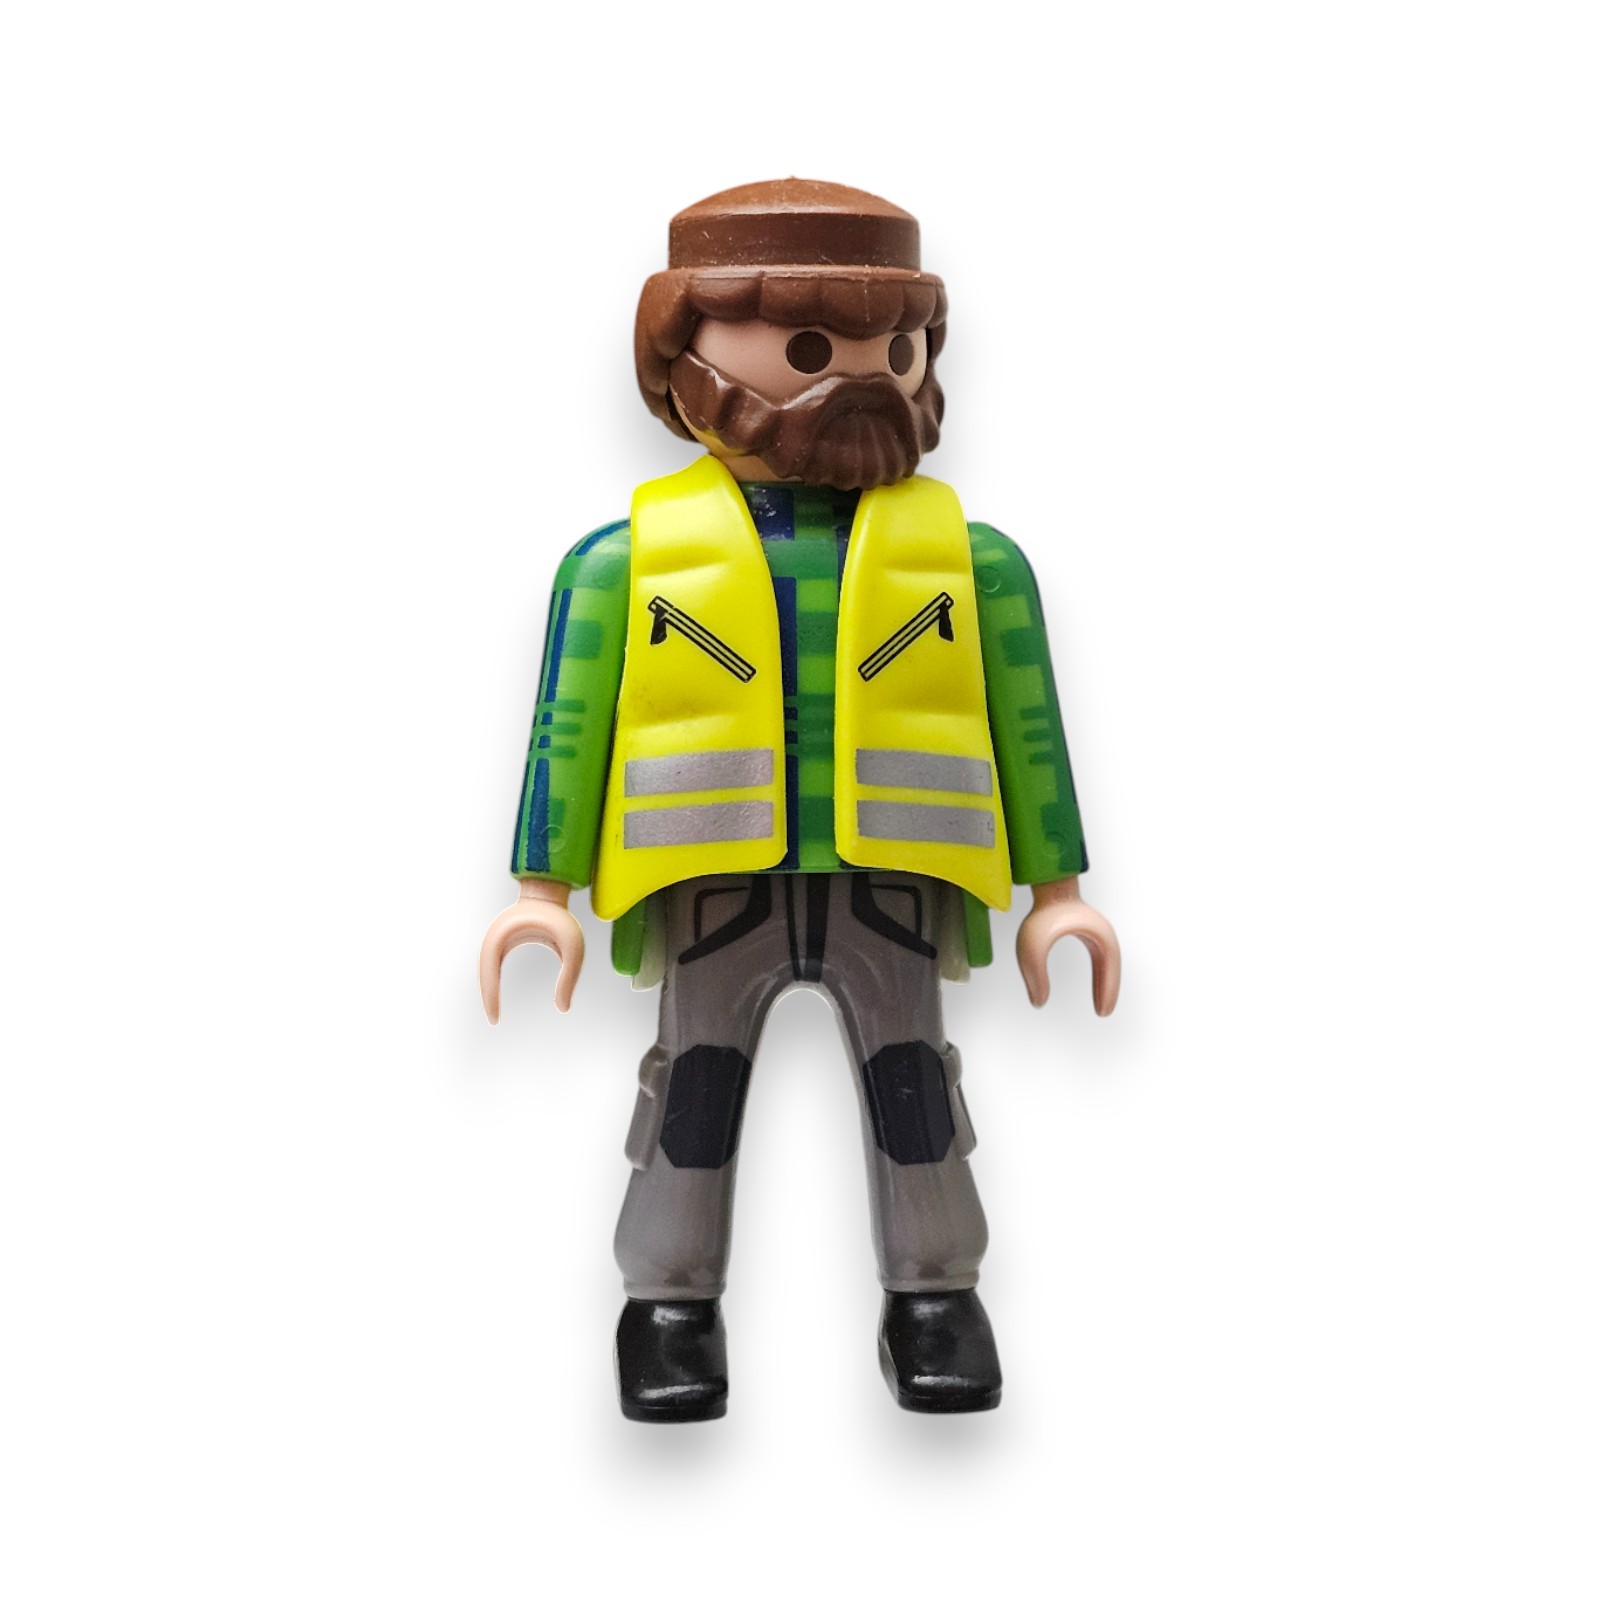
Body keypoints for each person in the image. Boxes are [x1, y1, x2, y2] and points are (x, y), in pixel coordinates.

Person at [480, 178, 1120, 1421]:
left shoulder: (972, 563)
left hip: (897, 881)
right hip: (709, 880)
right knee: (693, 1089)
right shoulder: (625, 563)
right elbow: (568, 723)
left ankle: (934, 1295)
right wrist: (539, 889)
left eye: (897, 349)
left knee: (916, 1089)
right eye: (814, 351)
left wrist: (1059, 891)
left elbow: (1028, 726)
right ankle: (668, 1304)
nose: (863, 381)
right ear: (682, 361)